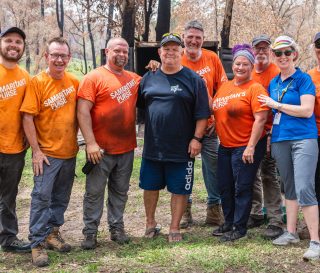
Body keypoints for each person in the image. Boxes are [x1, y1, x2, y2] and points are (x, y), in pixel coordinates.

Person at [138, 33, 210, 242]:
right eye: (166, 49)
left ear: (181, 52)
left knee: (180, 189)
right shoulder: (148, 78)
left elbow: (203, 113)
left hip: (182, 148)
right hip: (153, 146)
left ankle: (174, 227)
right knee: (150, 186)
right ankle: (150, 224)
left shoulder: (193, 79)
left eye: (174, 49)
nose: (170, 52)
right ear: (159, 52)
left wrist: (197, 139)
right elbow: (141, 106)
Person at [258, 35, 320, 261]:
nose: (282, 56)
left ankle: (315, 241)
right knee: (289, 187)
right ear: (273, 57)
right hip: (280, 139)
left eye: (287, 52)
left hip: (304, 138)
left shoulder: (303, 79)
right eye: (278, 53)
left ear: (294, 54)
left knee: (305, 187)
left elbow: (306, 110)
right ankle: (291, 232)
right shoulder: (274, 82)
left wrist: (277, 105)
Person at [77, 37, 141, 249]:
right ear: (107, 51)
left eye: (125, 51)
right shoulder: (93, 77)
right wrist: (90, 143)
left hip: (126, 147)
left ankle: (117, 227)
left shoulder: (133, 79)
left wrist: (154, 67)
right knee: (94, 192)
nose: (122, 55)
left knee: (120, 191)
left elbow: (155, 83)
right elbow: (82, 111)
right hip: (100, 149)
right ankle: (90, 232)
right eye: (117, 51)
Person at [21, 37, 79, 267]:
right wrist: (35, 150)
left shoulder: (74, 82)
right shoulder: (37, 82)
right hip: (46, 154)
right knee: (41, 198)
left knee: (61, 198)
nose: (59, 59)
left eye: (63, 55)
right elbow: (27, 117)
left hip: (69, 152)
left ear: (69, 58)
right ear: (46, 56)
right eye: (54, 54)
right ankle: (36, 243)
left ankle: (52, 233)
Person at [212, 44, 269, 242]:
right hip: (225, 146)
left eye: (245, 64)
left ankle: (240, 227)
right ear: (233, 64)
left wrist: (251, 146)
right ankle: (228, 221)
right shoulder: (225, 87)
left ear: (251, 66)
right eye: (237, 63)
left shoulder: (255, 88)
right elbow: (216, 110)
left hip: (246, 146)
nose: (240, 67)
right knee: (225, 185)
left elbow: (261, 119)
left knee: (242, 187)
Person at [180, 20, 227, 228]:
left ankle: (214, 209)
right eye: (190, 37)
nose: (193, 41)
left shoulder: (212, 58)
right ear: (183, 38)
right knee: (184, 168)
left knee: (213, 168)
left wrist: (217, 118)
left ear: (203, 40)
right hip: (182, 127)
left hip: (208, 126)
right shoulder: (176, 58)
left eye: (198, 38)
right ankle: (184, 210)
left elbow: (223, 90)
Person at [248, 34, 283, 239]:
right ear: (252, 51)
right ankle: (255, 212)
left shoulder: (276, 72)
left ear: (270, 51)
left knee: (269, 174)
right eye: (257, 49)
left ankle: (275, 219)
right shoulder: (247, 69)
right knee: (251, 174)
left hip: (270, 130)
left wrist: (271, 133)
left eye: (264, 49)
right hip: (251, 131)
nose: (261, 52)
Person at [0, 27, 31, 253]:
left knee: (8, 197)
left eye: (18, 42)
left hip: (14, 149)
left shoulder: (26, 78)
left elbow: (29, 114)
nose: (13, 45)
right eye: (9, 40)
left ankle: (8, 238)